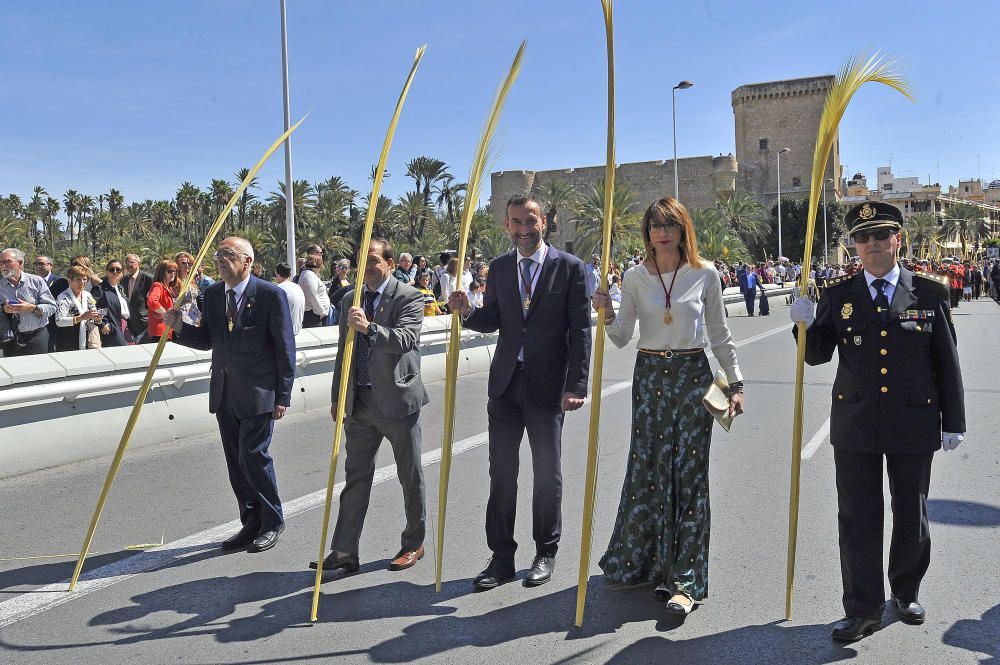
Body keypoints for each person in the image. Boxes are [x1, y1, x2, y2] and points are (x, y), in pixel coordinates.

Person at [790, 201, 966, 642]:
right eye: (862, 238)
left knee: (911, 512)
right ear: (854, 245)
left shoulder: (928, 292)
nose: (870, 244)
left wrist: (953, 420)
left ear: (897, 240)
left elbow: (947, 361)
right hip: (855, 421)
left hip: (914, 419)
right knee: (857, 517)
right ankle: (862, 608)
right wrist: (802, 325)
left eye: (879, 236)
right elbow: (815, 356)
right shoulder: (839, 295)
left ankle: (904, 591)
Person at [591, 197, 744, 615]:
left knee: (690, 477)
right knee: (649, 470)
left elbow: (719, 334)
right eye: (656, 225)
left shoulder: (705, 273)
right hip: (650, 379)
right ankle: (648, 562)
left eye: (670, 225)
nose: (663, 232)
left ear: (683, 230)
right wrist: (604, 312)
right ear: (647, 231)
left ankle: (686, 580)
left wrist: (735, 383)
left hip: (692, 378)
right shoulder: (635, 277)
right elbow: (623, 336)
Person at [448, 193, 592, 590]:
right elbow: (494, 318)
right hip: (506, 386)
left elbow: (580, 332)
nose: (523, 230)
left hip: (548, 387)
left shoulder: (570, 269)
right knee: (502, 475)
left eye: (530, 222)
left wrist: (576, 384)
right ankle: (501, 558)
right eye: (515, 223)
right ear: (507, 226)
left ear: (543, 222)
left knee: (548, 473)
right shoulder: (498, 268)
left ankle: (545, 552)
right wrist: (468, 311)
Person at [165, 237, 295, 553]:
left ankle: (272, 521)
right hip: (224, 393)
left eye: (228, 254)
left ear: (247, 261)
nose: (221, 259)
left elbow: (284, 347)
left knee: (253, 456)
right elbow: (208, 339)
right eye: (218, 254)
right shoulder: (211, 295)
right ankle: (249, 522)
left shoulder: (269, 295)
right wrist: (179, 328)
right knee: (236, 463)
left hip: (260, 393)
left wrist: (283, 395)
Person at [312, 237, 429, 574]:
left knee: (410, 475)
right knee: (355, 478)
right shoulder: (350, 298)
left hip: (397, 402)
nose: (368, 266)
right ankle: (345, 550)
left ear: (390, 264)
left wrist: (369, 328)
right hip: (359, 403)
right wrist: (338, 396)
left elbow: (406, 339)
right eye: (363, 260)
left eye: (374, 260)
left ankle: (413, 543)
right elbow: (342, 352)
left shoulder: (409, 296)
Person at [0, 247, 57, 356]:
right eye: (1, 262)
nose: (3, 266)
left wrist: (32, 308)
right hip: (12, 339)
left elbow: (52, 307)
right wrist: (4, 308)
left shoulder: (36, 281)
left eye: (7, 262)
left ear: (20, 263)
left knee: (39, 371)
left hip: (37, 336)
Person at [54, 265, 104, 351]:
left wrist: (98, 318)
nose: (82, 282)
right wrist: (81, 317)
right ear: (69, 281)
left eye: (85, 279)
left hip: (88, 340)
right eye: (78, 279)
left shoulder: (88, 295)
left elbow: (93, 313)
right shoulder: (63, 297)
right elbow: (59, 321)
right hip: (68, 342)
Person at [96, 259, 131, 347]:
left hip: (126, 328)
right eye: (112, 270)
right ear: (107, 272)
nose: (115, 272)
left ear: (122, 273)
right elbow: (92, 308)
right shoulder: (99, 289)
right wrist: (102, 323)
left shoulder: (121, 288)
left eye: (118, 270)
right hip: (111, 329)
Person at [122, 254, 153, 342]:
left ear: (138, 263)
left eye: (131, 262)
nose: (129, 265)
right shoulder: (124, 280)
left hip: (145, 323)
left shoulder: (148, 278)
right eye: (126, 263)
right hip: (131, 323)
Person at [147, 259, 179, 343]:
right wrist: (165, 314)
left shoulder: (169, 288)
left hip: (167, 332)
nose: (173, 273)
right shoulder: (158, 286)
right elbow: (152, 301)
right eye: (169, 271)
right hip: (159, 333)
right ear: (162, 272)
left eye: (175, 271)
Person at [273, 262, 305, 335]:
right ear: (290, 274)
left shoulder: (278, 290)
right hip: (298, 331)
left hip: (284, 333)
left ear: (277, 274)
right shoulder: (298, 287)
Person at [299, 255, 330, 328]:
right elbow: (312, 295)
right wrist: (322, 312)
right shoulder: (309, 276)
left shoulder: (308, 274)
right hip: (314, 314)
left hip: (315, 314)